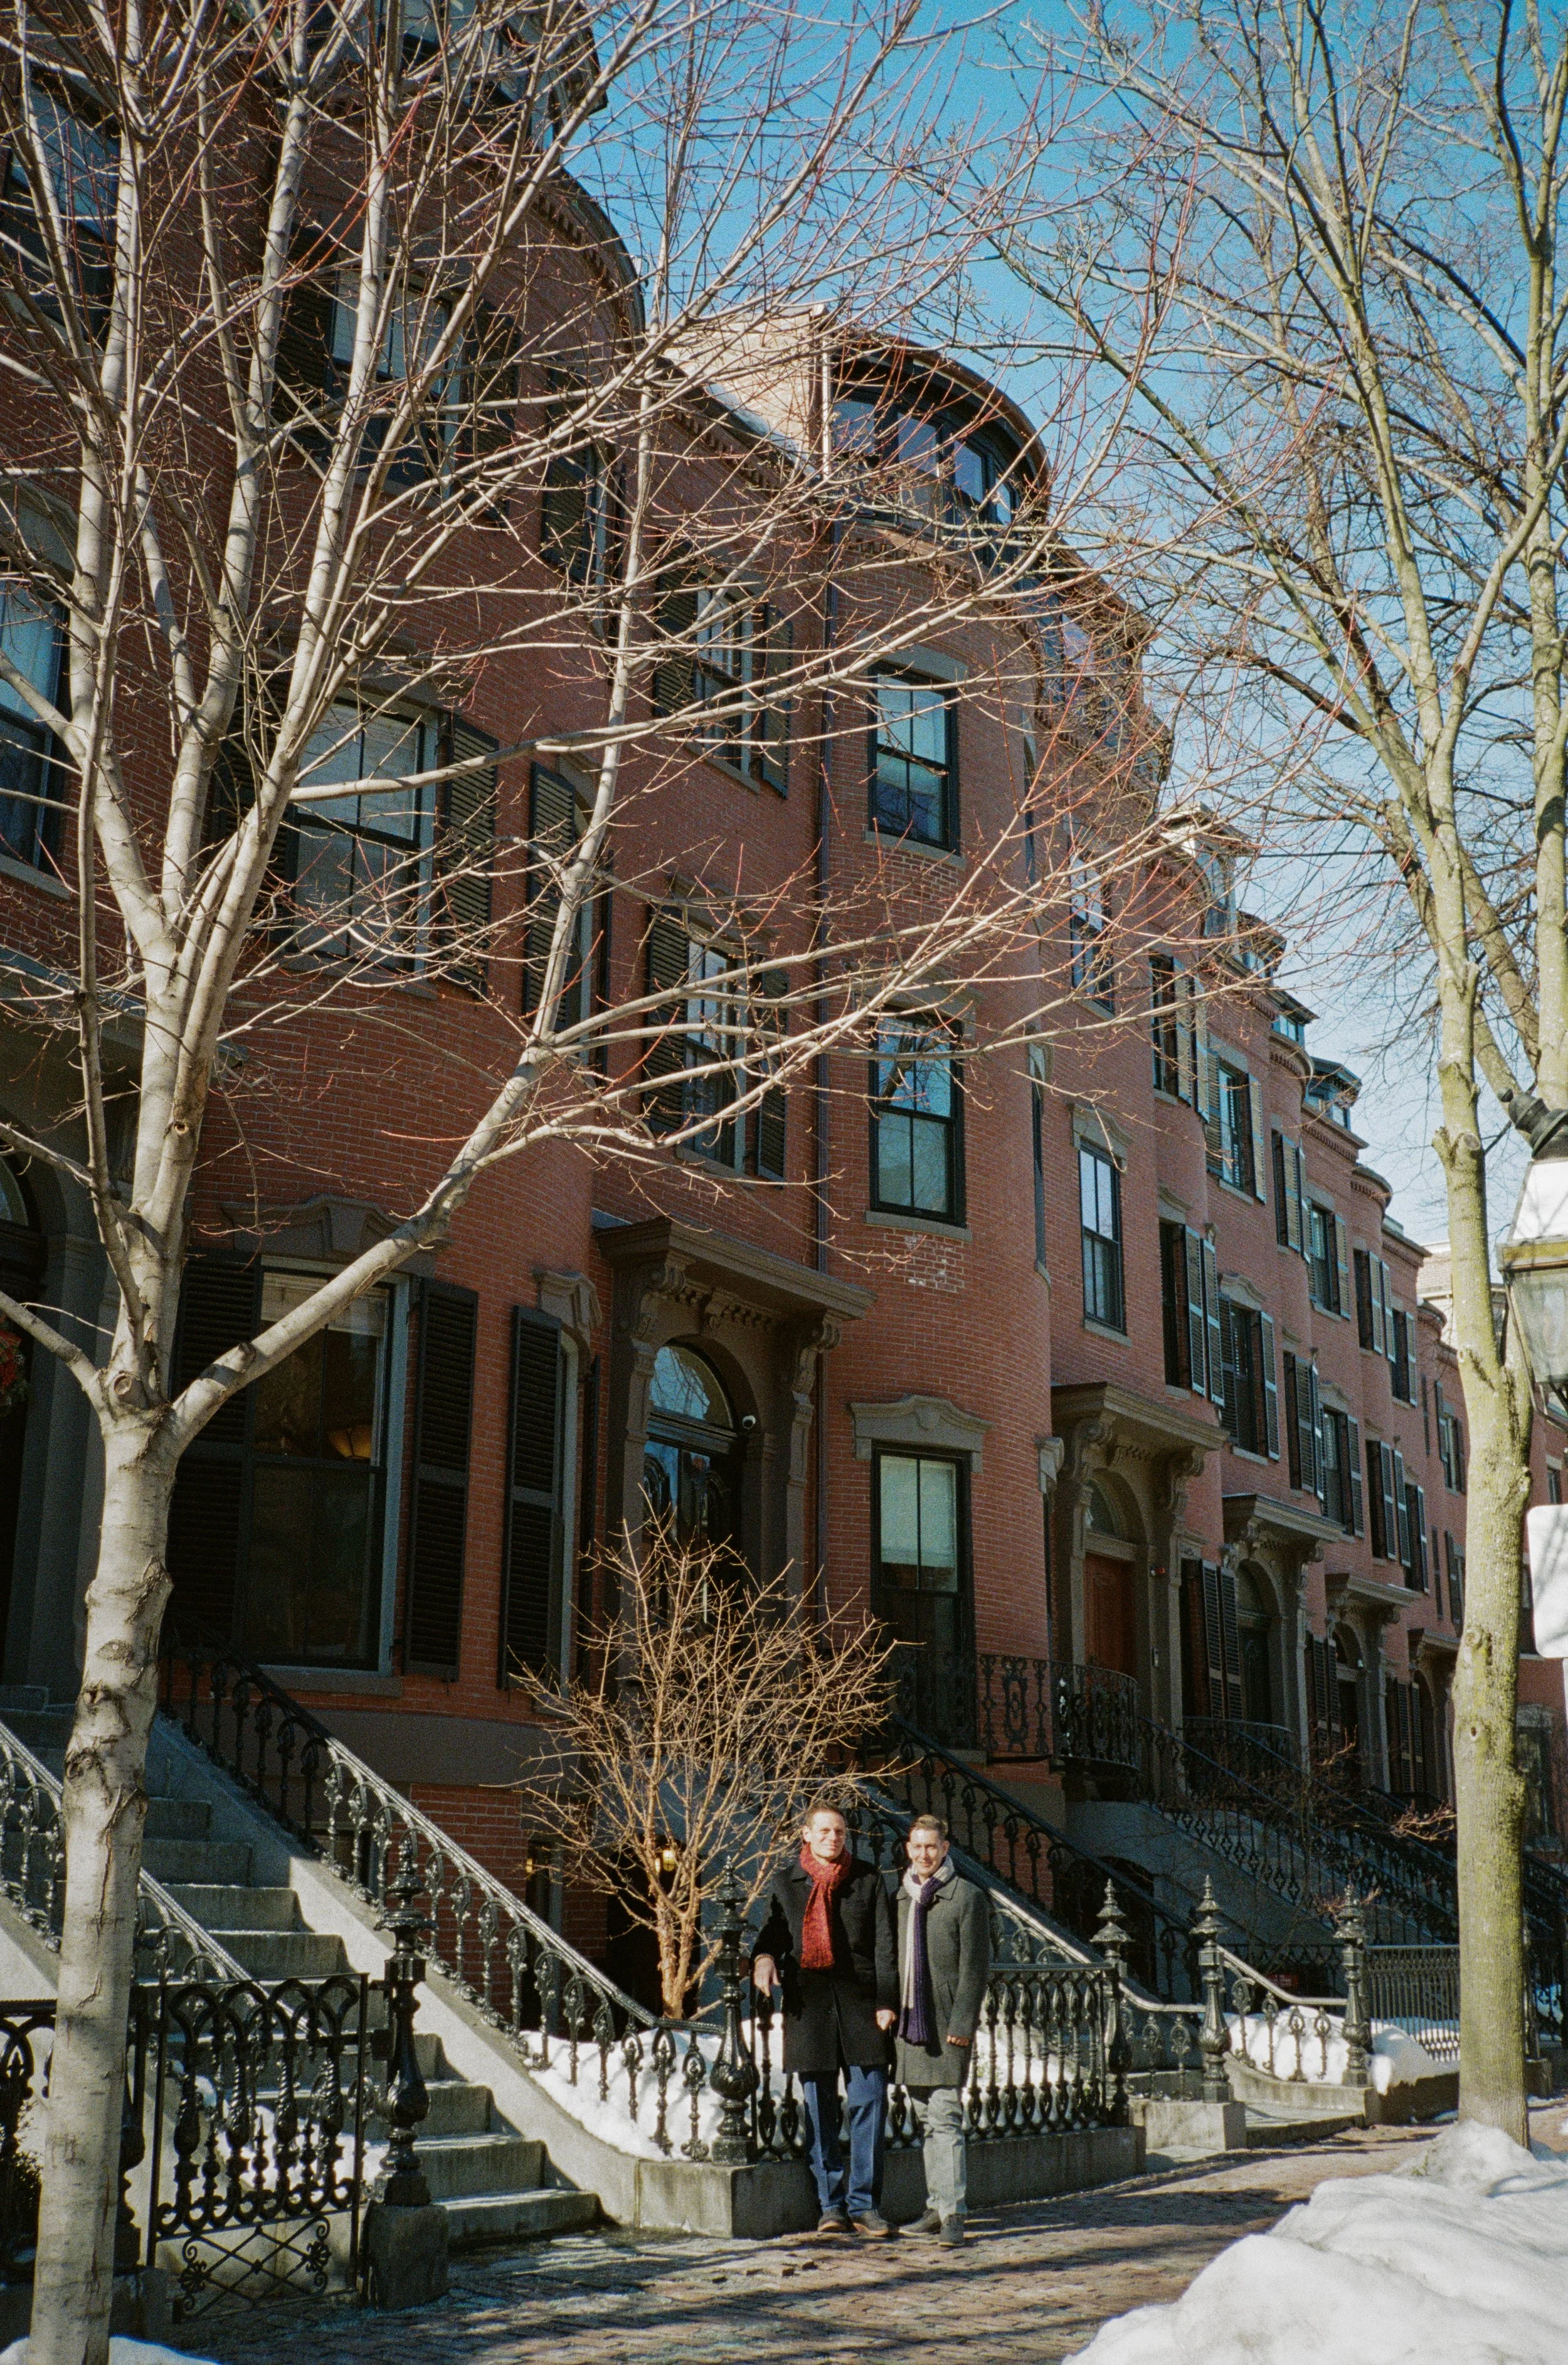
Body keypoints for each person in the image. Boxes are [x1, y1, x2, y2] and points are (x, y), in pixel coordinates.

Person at [752, 1799, 898, 2238]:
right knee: (819, 2109)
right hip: (808, 2008)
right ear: (807, 1836)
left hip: (861, 2004)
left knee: (870, 2101)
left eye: (839, 1832)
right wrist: (762, 1957)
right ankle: (831, 2205)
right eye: (824, 1831)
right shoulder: (785, 1883)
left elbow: (885, 1946)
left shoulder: (868, 1879)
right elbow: (774, 1933)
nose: (833, 1838)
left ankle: (865, 2205)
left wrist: (886, 1999)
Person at [894, 1812, 990, 2247]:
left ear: (945, 1849)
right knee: (925, 2121)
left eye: (931, 1847)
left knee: (946, 2116)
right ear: (908, 1850)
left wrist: (963, 2023)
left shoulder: (966, 1897)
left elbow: (975, 1968)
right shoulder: (901, 1897)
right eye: (917, 1847)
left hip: (947, 2026)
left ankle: (954, 2213)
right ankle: (935, 2207)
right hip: (911, 2025)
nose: (924, 1854)